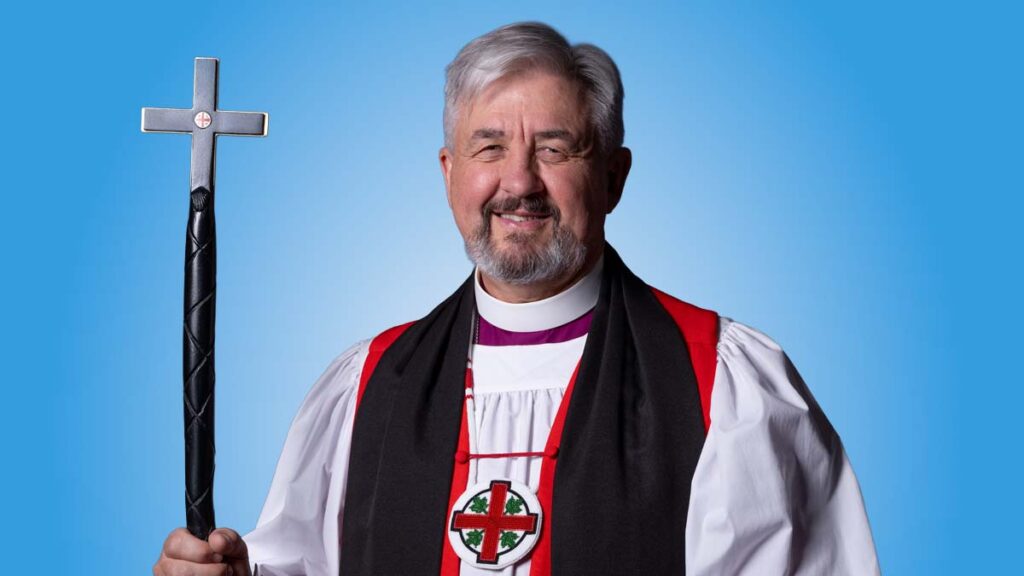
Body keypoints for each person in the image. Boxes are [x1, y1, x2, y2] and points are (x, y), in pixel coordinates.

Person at [154, 22, 880, 576]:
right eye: (489, 147)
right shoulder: (367, 386)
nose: (521, 183)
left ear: (615, 177)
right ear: (448, 174)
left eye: (557, 148)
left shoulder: (720, 381)